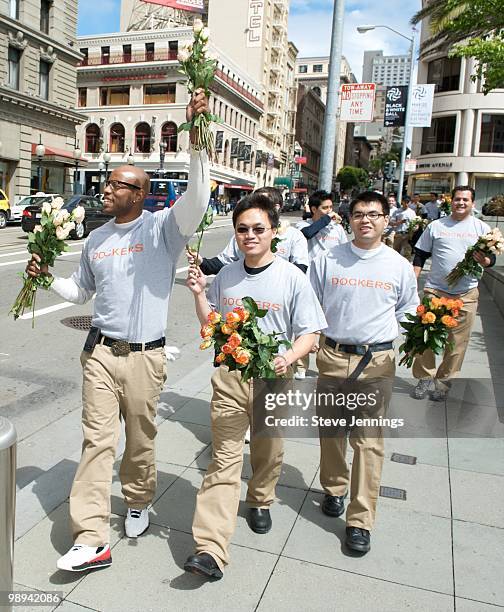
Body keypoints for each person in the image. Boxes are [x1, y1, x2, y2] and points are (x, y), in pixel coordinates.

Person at [26, 91, 211, 572]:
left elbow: (198, 198)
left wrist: (198, 140)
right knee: (96, 441)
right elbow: (79, 293)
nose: (106, 189)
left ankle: (136, 498)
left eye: (117, 184)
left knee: (141, 442)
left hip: (146, 358)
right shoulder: (96, 238)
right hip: (101, 355)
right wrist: (44, 276)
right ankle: (91, 537)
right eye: (107, 183)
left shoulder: (163, 229)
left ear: (140, 193)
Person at [183, 193, 327, 580]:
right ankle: (210, 548)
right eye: (243, 229)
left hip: (274, 379)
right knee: (224, 459)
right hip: (230, 379)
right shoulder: (227, 276)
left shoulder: (292, 277)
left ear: (273, 232)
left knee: (268, 448)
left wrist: (290, 357)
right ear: (235, 233)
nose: (250, 235)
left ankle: (261, 497)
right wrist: (199, 294)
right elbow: (212, 325)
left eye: (258, 229)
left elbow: (310, 332)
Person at [309, 191, 418, 554]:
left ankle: (360, 520)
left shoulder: (398, 265)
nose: (365, 220)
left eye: (373, 214)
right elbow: (311, 304)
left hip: (376, 361)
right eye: (358, 214)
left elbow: (409, 309)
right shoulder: (328, 259)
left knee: (369, 442)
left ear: (387, 220)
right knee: (332, 431)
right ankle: (335, 487)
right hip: (333, 356)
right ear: (349, 219)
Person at [411, 186, 496, 401]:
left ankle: (443, 382)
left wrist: (485, 261)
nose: (461, 203)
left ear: (472, 203)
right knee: (426, 338)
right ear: (451, 202)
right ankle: (425, 378)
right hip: (435, 290)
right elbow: (420, 254)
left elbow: (492, 259)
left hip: (466, 294)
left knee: (457, 343)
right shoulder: (436, 226)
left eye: (465, 200)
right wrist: (413, 280)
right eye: (457, 199)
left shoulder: (482, 228)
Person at [192, 187, 309, 276]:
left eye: (261, 203)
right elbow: (224, 261)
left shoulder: (294, 236)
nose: (251, 235)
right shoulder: (243, 235)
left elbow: (300, 270)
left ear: (276, 207)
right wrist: (201, 262)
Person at [296, 190, 348, 261]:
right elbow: (307, 233)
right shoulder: (303, 225)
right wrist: (327, 218)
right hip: (312, 269)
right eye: (325, 208)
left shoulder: (337, 227)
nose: (329, 211)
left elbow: (345, 249)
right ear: (314, 209)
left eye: (330, 207)